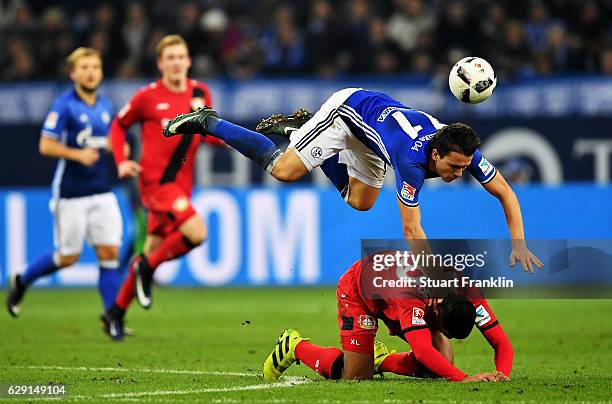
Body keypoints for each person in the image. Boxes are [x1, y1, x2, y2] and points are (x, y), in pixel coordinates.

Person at [164, 88, 543, 274]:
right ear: (435, 155)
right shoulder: (412, 164)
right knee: (284, 170)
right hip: (349, 111)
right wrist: (433, 278)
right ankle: (209, 122)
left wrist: (519, 243)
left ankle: (301, 129)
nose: (459, 175)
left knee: (360, 202)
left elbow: (505, 193)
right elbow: (412, 230)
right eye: (454, 168)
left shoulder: (463, 150)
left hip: (376, 139)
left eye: (464, 169)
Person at [101, 34, 222, 340]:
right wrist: (121, 160)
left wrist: (234, 141)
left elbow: (207, 133)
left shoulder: (200, 92)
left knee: (150, 249)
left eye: (181, 57)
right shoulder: (147, 97)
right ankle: (147, 270)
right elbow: (118, 125)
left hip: (182, 185)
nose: (176, 62)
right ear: (160, 64)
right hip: (156, 184)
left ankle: (114, 313)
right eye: (170, 58)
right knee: (197, 231)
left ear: (189, 61)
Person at [262, 253, 513, 382]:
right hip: (359, 291)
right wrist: (464, 378)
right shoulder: (410, 296)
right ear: (435, 311)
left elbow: (502, 343)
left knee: (439, 366)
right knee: (356, 377)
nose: (440, 333)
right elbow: (424, 351)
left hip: (393, 291)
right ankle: (295, 346)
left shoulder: (469, 292)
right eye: (440, 328)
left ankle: (381, 358)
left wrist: (502, 375)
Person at [6, 48, 123, 323]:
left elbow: (116, 142)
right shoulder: (64, 105)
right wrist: (77, 154)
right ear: (72, 73)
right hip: (71, 193)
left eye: (95, 66)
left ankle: (112, 317)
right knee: (69, 257)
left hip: (102, 190)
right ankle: (22, 279)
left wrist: (116, 148)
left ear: (101, 71)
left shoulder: (106, 106)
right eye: (84, 67)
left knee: (110, 253)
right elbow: (45, 145)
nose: (91, 72)